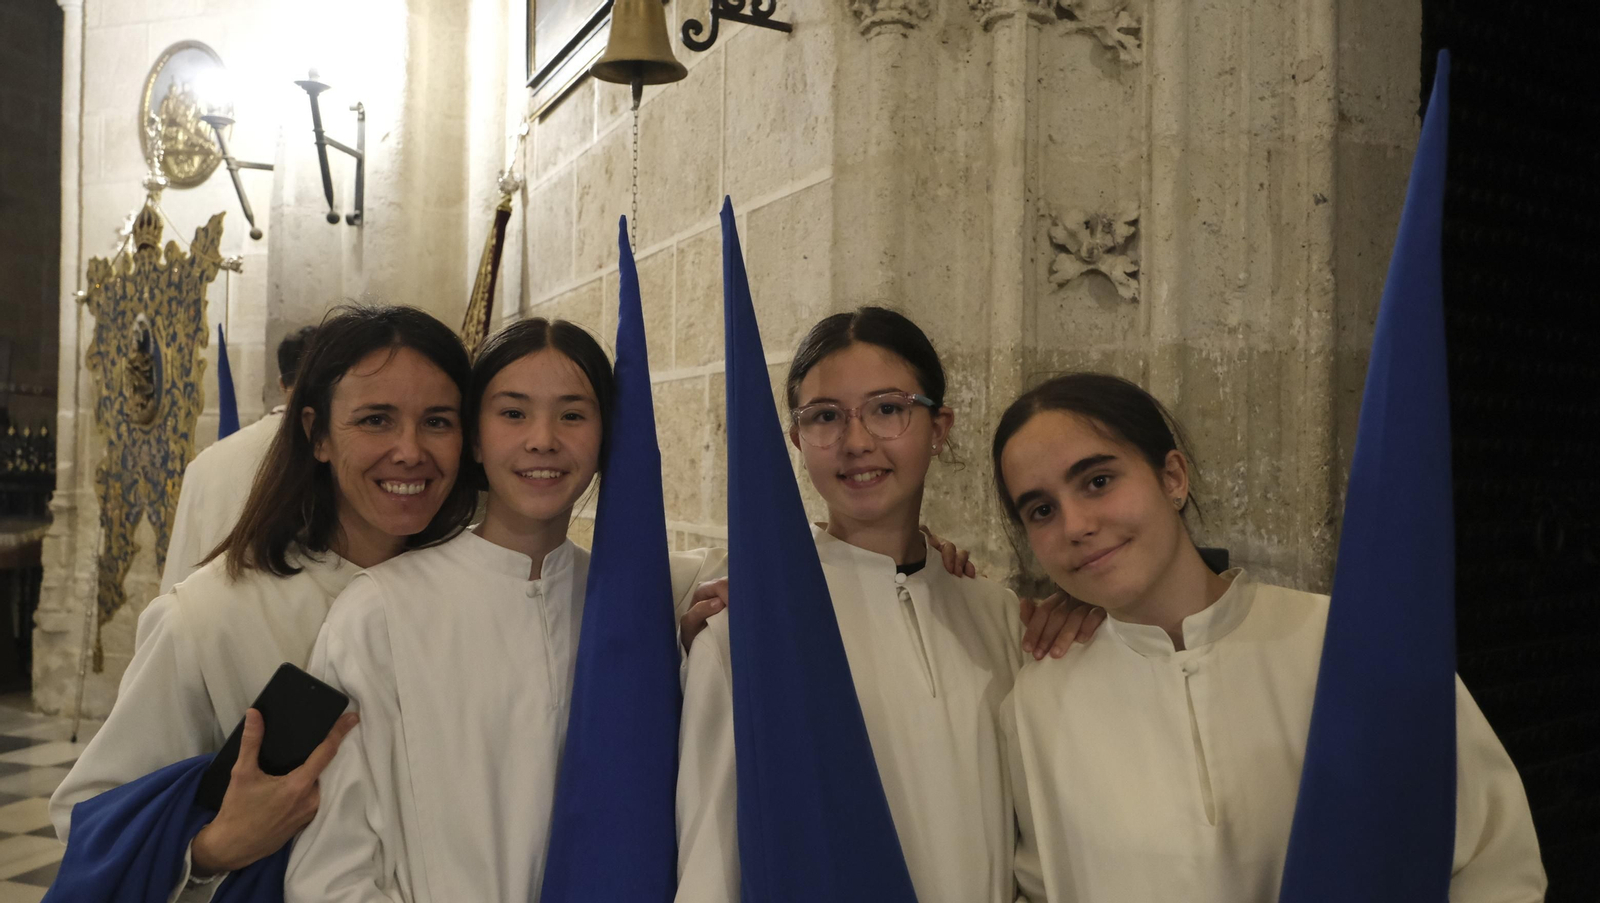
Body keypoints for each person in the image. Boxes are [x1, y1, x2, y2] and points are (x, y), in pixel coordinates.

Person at [992, 372, 1547, 902]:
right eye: (1041, 510)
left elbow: (1492, 862)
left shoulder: (1349, 647)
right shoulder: (1038, 708)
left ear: (1173, 478)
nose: (1075, 526)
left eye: (1098, 481)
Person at [283, 318, 729, 902]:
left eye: (572, 414)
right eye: (513, 413)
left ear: (606, 438)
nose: (542, 439)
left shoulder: (634, 613)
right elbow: (329, 874)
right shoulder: (380, 612)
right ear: (473, 437)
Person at [50, 306, 478, 899]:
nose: (410, 450)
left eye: (437, 421)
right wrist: (213, 847)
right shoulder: (208, 619)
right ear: (316, 434)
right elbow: (88, 818)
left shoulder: (474, 598)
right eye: (375, 420)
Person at [674, 307, 1093, 903]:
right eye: (825, 417)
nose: (857, 442)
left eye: (888, 408)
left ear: (939, 426)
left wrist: (1092, 607)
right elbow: (710, 859)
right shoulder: (749, 629)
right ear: (796, 440)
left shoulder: (997, 617)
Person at [161, 325, 319, 594]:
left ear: (281, 383)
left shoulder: (207, 463)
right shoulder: (338, 458)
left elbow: (177, 578)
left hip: (212, 622)